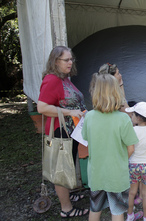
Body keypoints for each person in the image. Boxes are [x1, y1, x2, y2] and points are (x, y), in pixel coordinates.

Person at [37, 46, 89, 218]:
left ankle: (69, 194)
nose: (70, 62)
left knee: (68, 165)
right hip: (61, 131)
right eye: (66, 60)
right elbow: (42, 107)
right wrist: (69, 112)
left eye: (71, 59)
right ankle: (66, 208)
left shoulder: (64, 78)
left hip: (70, 131)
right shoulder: (52, 79)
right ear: (55, 61)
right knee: (61, 170)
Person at [82, 73, 138, 221]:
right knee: (117, 211)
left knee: (95, 208)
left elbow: (87, 139)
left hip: (96, 174)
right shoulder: (123, 119)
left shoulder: (89, 116)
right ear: (116, 93)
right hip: (117, 175)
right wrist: (119, 162)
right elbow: (131, 148)